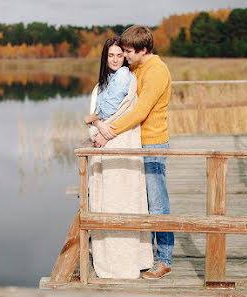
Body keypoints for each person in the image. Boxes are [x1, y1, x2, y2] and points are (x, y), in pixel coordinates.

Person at [93, 26, 174, 280]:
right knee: (142, 202)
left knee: (157, 204)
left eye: (128, 51)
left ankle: (164, 259)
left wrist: (107, 132)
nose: (125, 55)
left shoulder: (157, 72)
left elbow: (139, 112)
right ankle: (144, 255)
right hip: (137, 144)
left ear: (142, 50)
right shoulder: (138, 68)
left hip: (152, 144)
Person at [86, 37, 153, 279]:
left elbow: (127, 111)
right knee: (107, 202)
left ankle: (131, 260)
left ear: (125, 57)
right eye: (110, 56)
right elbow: (94, 116)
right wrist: (97, 125)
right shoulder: (100, 86)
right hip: (104, 154)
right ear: (105, 58)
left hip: (122, 149)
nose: (115, 59)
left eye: (119, 55)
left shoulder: (127, 78)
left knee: (125, 201)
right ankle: (108, 259)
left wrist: (102, 128)